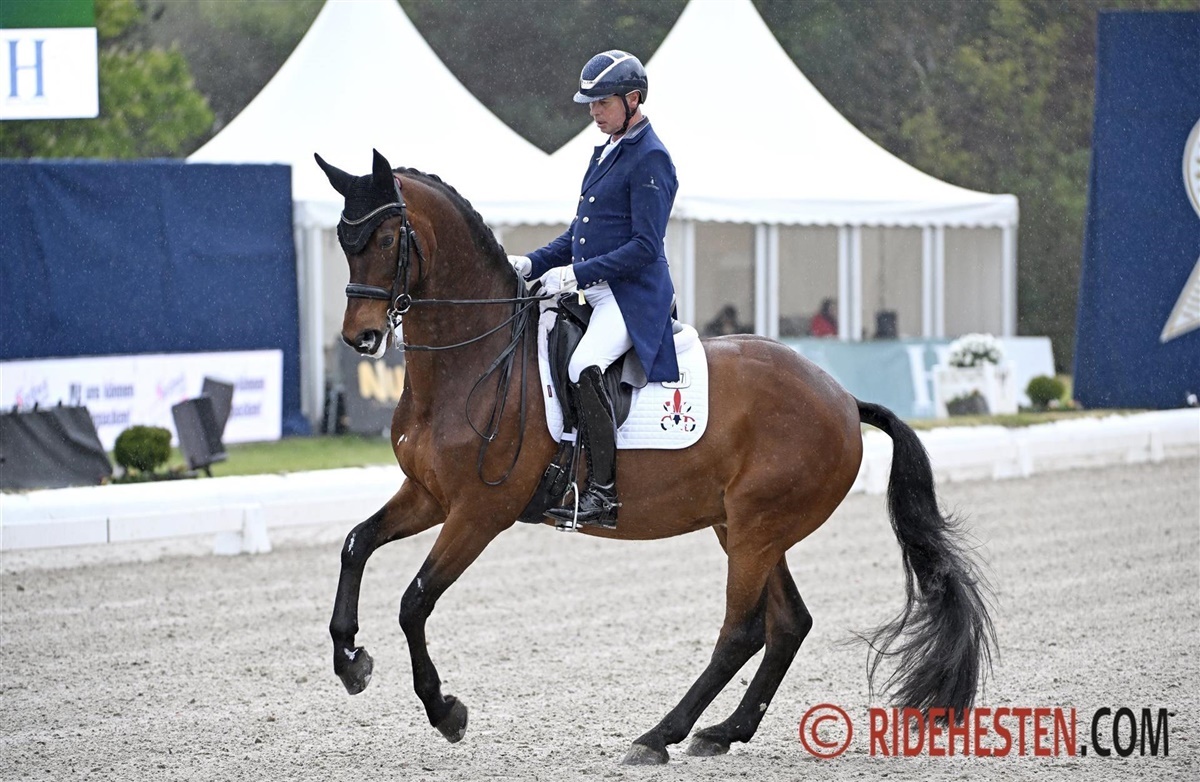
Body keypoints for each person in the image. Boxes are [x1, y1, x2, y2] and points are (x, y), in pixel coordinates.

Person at [507, 50, 679, 529]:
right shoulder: (605, 150)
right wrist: (533, 262)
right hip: (597, 289)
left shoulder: (651, 157)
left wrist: (576, 276)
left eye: (602, 103)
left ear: (632, 99)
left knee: (584, 364)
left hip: (632, 296)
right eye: (591, 104)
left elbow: (645, 246)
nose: (593, 113)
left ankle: (603, 492)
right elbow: (580, 235)